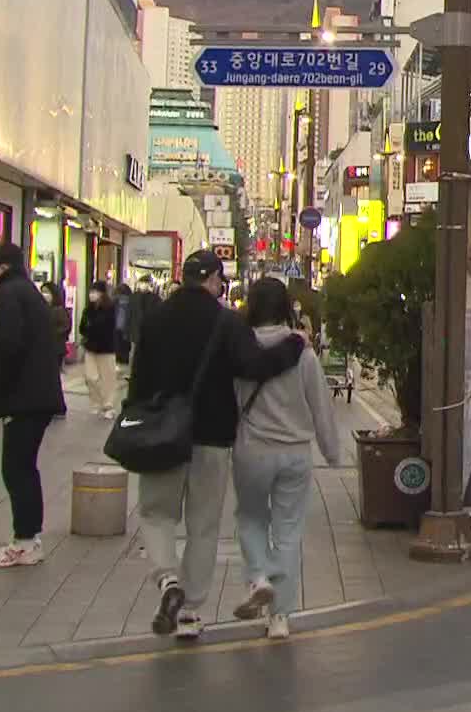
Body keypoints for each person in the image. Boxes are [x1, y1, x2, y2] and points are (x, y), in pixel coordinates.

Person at [128, 250, 305, 641]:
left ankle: (167, 579)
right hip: (211, 437)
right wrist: (294, 346)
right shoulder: (225, 321)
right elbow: (254, 366)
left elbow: (137, 376)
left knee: (157, 515)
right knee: (203, 526)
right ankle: (190, 610)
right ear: (213, 281)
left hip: (161, 436)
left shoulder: (155, 318)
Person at [231, 279, 344, 640]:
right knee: (289, 531)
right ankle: (279, 617)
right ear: (286, 309)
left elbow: (231, 401)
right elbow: (321, 407)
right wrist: (332, 452)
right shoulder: (305, 356)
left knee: (250, 517)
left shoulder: (240, 352)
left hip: (251, 449)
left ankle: (259, 577)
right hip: (296, 453)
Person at [0, 244, 67, 568]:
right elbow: (19, 337)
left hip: (24, 396)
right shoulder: (26, 292)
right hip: (38, 394)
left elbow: (11, 345)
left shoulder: (9, 293)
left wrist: (0, 382)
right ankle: (29, 539)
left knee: (16, 468)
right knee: (24, 467)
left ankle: (25, 541)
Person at [78, 282, 120, 419]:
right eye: (91, 292)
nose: (91, 295)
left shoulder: (110, 309)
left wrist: (93, 328)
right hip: (90, 348)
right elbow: (82, 327)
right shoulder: (88, 309)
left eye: (94, 292)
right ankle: (97, 402)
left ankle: (108, 406)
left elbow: (108, 328)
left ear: (102, 293)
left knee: (108, 378)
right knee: (91, 377)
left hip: (106, 348)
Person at [40, 281, 72, 362]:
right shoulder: (41, 308)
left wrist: (51, 332)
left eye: (47, 292)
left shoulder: (59, 310)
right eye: (42, 292)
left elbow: (66, 326)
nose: (44, 294)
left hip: (56, 347)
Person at [112, 281, 134, 370]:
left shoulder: (114, 300)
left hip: (116, 326)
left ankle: (118, 361)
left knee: (117, 344)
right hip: (126, 326)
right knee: (125, 345)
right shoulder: (131, 301)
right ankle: (124, 360)